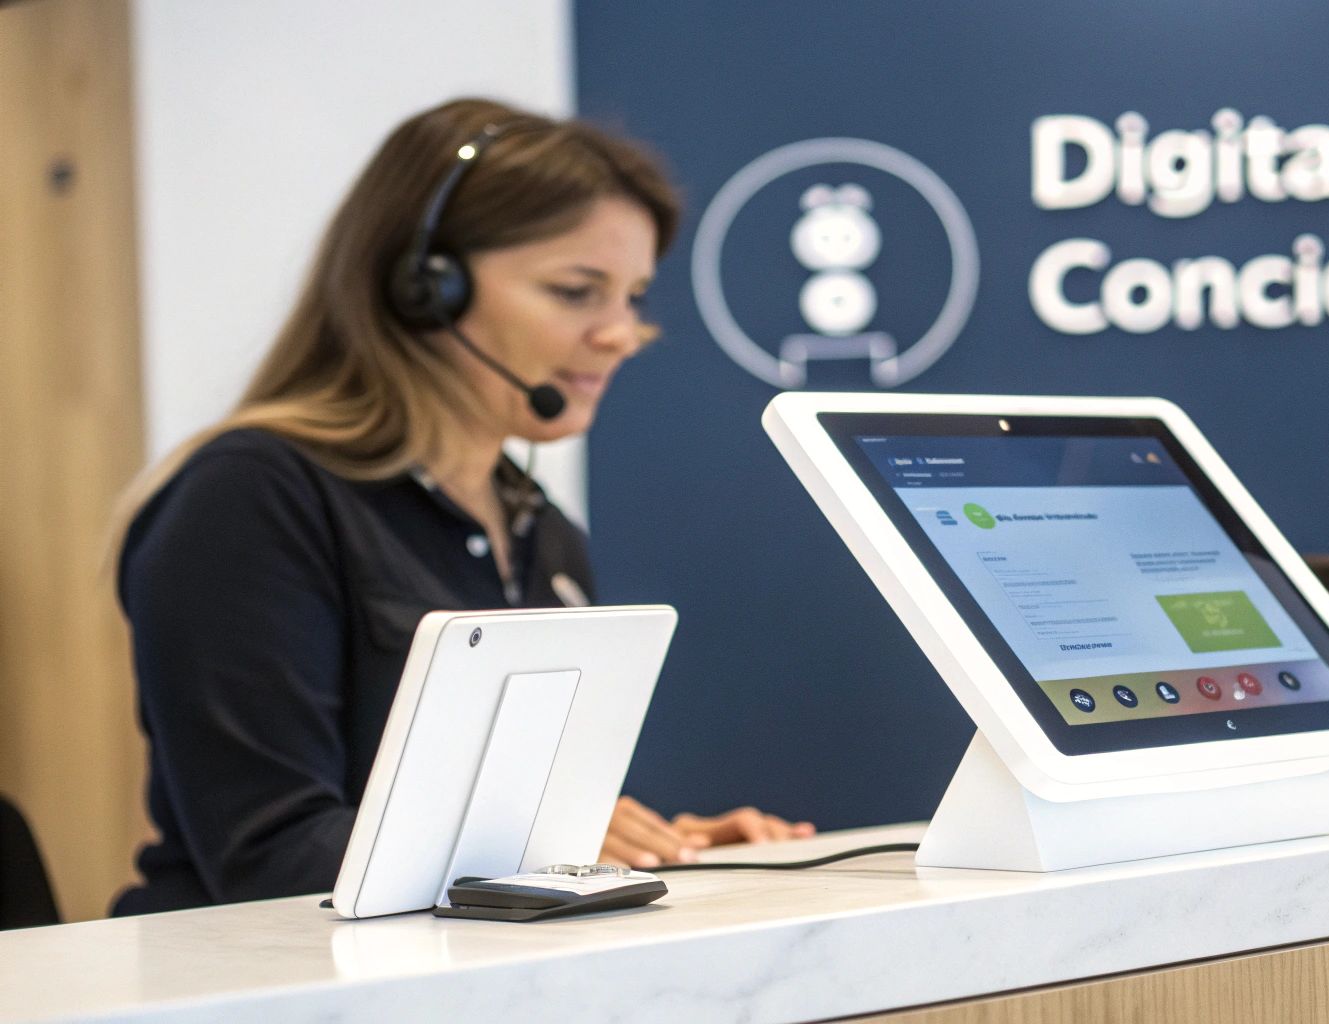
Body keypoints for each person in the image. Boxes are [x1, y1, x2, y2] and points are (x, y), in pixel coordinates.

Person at [109, 98, 811, 916]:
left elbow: (512, 833)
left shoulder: (540, 532)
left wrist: (662, 852)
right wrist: (555, 851)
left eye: (632, 297)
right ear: (424, 289)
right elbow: (270, 854)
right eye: (578, 291)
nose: (622, 333)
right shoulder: (251, 498)